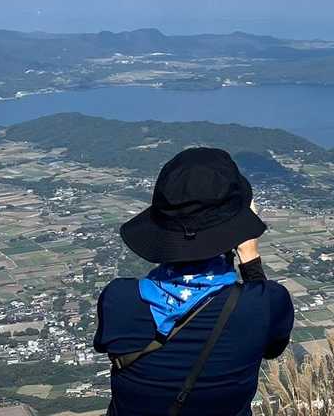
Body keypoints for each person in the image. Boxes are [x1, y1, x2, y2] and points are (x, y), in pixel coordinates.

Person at [94, 147, 294, 415]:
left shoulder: (119, 300)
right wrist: (250, 258)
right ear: (237, 226)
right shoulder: (264, 304)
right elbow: (272, 348)